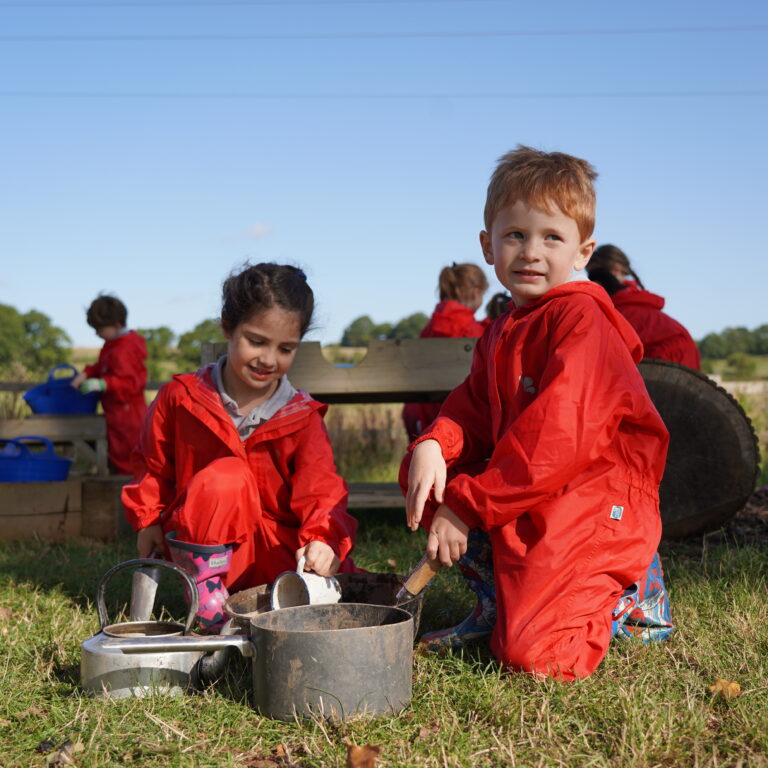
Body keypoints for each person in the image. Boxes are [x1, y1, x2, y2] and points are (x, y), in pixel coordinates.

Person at [400, 146, 673, 681]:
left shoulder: (582, 322)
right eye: (515, 235)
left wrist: (468, 504)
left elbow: (557, 440)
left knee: (536, 657)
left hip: (593, 500)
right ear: (488, 245)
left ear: (582, 250)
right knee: (428, 476)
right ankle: (499, 602)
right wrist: (435, 444)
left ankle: (629, 592)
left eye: (552, 237)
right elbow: (472, 409)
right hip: (538, 491)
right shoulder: (504, 328)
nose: (530, 251)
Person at [121, 263, 358, 631]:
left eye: (285, 348)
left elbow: (322, 490)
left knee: (343, 590)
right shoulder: (181, 399)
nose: (268, 359)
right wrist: (148, 518)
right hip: (207, 547)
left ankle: (272, 607)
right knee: (225, 475)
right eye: (256, 341)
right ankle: (206, 598)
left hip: (279, 557)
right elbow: (152, 464)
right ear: (227, 327)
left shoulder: (301, 416)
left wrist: (323, 540)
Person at [402, 263, 489, 441]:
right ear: (475, 291)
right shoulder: (471, 330)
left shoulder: (431, 327)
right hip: (451, 415)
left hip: (419, 410)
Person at [586, 244, 701, 369]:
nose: (593, 282)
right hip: (679, 361)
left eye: (596, 275)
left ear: (616, 270)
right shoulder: (631, 302)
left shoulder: (621, 311)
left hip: (669, 364)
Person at [71, 294, 148, 475]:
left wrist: (103, 384)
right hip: (116, 413)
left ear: (116, 325)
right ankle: (120, 497)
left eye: (100, 328)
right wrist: (87, 373)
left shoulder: (125, 348)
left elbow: (132, 384)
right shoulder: (112, 344)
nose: (97, 333)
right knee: (117, 458)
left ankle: (129, 499)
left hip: (128, 416)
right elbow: (103, 365)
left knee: (130, 462)